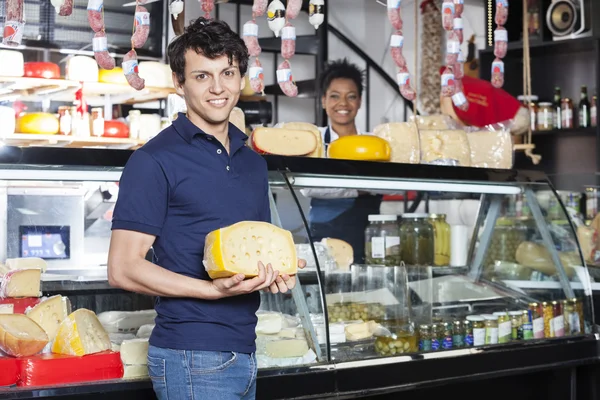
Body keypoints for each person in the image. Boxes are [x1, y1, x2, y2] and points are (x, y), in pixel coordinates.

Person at [107, 18, 303, 400]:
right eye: (202, 76)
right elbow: (122, 268)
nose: (218, 88)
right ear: (180, 84)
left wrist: (275, 275)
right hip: (190, 354)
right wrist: (211, 292)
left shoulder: (252, 162)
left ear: (241, 77)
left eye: (227, 72)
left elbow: (249, 253)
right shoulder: (154, 160)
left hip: (246, 348)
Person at [301, 59, 382, 264]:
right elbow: (309, 187)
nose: (343, 104)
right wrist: (361, 188)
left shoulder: (375, 143)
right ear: (323, 100)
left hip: (369, 239)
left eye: (351, 97)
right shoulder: (315, 140)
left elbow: (394, 184)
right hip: (324, 239)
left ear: (360, 101)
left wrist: (351, 186)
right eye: (335, 96)